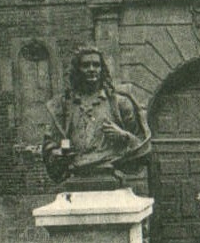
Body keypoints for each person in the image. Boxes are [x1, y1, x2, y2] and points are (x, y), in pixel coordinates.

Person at [42, 46, 151, 189]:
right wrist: (56, 153)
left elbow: (143, 146)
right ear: (77, 70)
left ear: (102, 69)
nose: (92, 69)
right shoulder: (63, 107)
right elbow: (50, 142)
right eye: (85, 65)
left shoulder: (120, 104)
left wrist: (123, 135)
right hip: (77, 172)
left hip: (108, 168)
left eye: (96, 65)